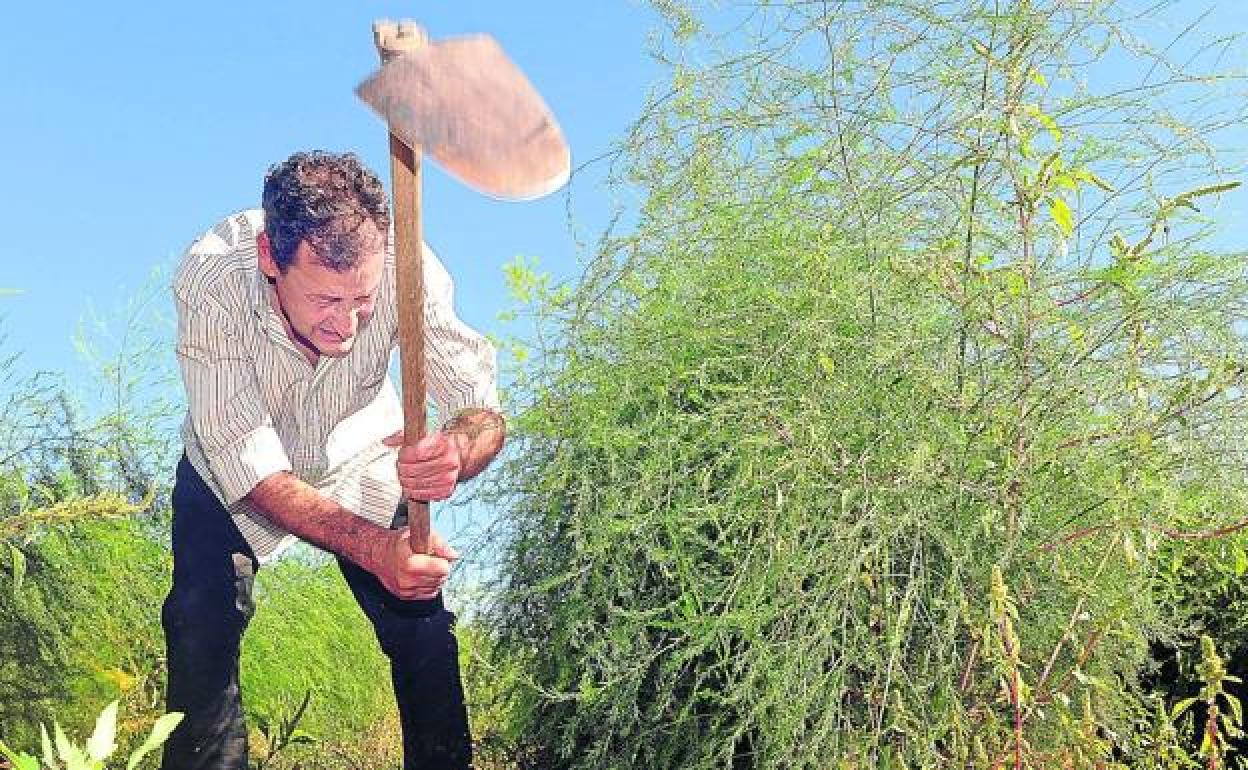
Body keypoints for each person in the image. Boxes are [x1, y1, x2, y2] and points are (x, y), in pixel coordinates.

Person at [160, 150, 504, 770]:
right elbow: (250, 465)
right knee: (199, 621)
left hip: (360, 454)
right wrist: (375, 550)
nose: (346, 326)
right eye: (325, 300)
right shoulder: (213, 277)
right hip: (232, 475)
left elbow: (482, 413)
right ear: (271, 258)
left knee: (421, 622)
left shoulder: (409, 266)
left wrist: (456, 451)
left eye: (362, 301)